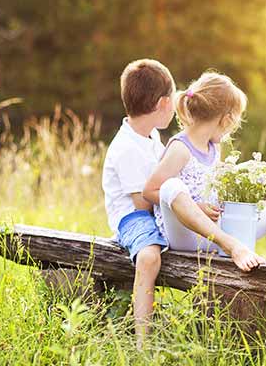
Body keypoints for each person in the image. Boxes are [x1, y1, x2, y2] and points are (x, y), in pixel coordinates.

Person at [143, 71, 266, 267]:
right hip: (184, 236)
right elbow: (150, 191)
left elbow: (218, 180)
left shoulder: (213, 147)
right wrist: (197, 208)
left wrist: (248, 170)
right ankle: (232, 246)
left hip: (213, 234)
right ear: (226, 119)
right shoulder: (181, 148)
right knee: (171, 186)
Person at [101, 59, 175, 347]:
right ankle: (142, 342)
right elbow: (142, 206)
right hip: (132, 218)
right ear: (162, 103)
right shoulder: (126, 148)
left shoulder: (150, 135)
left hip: (152, 207)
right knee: (149, 257)